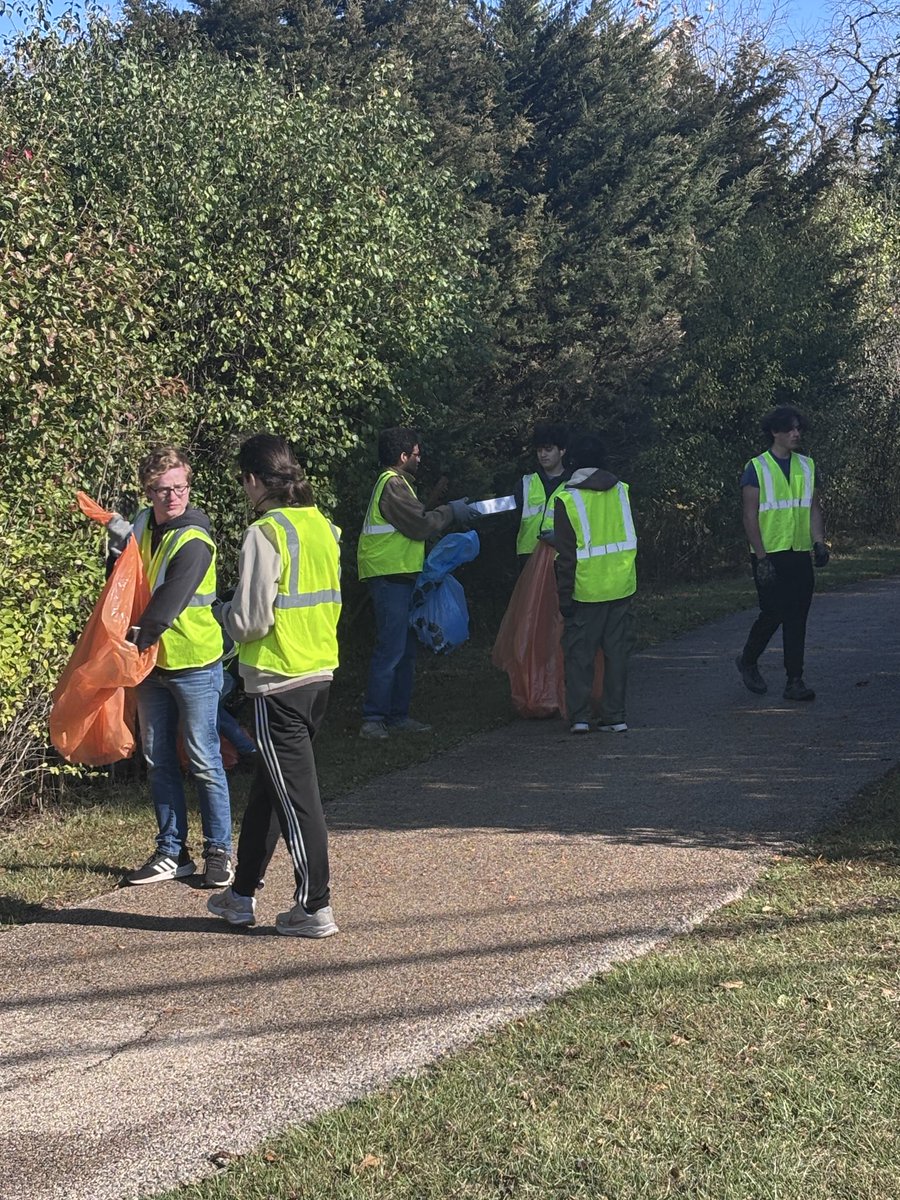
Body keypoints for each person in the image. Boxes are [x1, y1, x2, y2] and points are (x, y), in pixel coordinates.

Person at [207, 434, 341, 936]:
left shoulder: (266, 533)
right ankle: (240, 895)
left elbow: (251, 620)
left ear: (252, 480)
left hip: (276, 680)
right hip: (317, 674)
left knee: (297, 800)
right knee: (272, 786)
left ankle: (314, 906)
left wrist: (220, 610)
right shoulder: (322, 526)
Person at [107, 446, 233, 887]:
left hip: (194, 661)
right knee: (158, 759)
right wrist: (115, 546)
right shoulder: (143, 523)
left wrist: (123, 644)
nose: (173, 497)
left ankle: (219, 851)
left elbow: (165, 606)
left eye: (180, 487)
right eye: (163, 490)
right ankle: (171, 851)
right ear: (149, 491)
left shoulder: (194, 538)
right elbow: (124, 577)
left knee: (203, 758)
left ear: (189, 486)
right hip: (151, 666)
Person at [357, 426, 478, 740]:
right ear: (402, 456)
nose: (419, 457)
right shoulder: (393, 485)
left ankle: (397, 715)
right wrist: (451, 511)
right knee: (391, 649)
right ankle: (374, 718)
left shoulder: (399, 486)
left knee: (405, 649)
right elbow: (421, 525)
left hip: (402, 577)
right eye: (416, 452)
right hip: (389, 577)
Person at [735, 405, 829, 701]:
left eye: (799, 428)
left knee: (797, 616)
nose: (796, 433)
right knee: (773, 612)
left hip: (799, 551)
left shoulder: (806, 465)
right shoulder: (757, 467)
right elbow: (750, 515)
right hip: (769, 554)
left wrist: (819, 542)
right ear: (775, 432)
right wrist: (760, 557)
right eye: (790, 428)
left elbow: (812, 506)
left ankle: (794, 680)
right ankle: (748, 659)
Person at [553, 433, 636, 735]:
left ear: (572, 461)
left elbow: (566, 556)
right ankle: (615, 716)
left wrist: (564, 597)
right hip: (622, 585)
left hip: (585, 590)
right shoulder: (622, 491)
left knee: (579, 656)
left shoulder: (567, 498)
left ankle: (580, 717)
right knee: (617, 655)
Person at [513, 421, 571, 563]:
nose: (543, 455)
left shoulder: (573, 485)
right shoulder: (526, 483)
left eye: (548, 449)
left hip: (560, 559)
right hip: (528, 557)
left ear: (562, 450)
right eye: (539, 450)